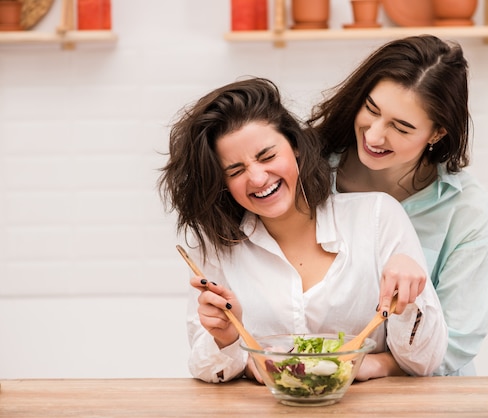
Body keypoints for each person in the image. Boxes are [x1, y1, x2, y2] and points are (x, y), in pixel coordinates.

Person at [158, 77, 447, 383]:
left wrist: (403, 307)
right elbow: (205, 370)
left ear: (295, 146)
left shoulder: (377, 217)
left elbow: (425, 361)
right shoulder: (217, 249)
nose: (257, 178)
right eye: (236, 171)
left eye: (267, 156)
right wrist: (227, 340)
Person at [306, 35, 488, 376]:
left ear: (437, 132)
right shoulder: (310, 173)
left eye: (401, 127)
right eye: (371, 110)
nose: (375, 135)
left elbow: (458, 341)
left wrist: (369, 365)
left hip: (427, 396)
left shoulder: (464, 206)